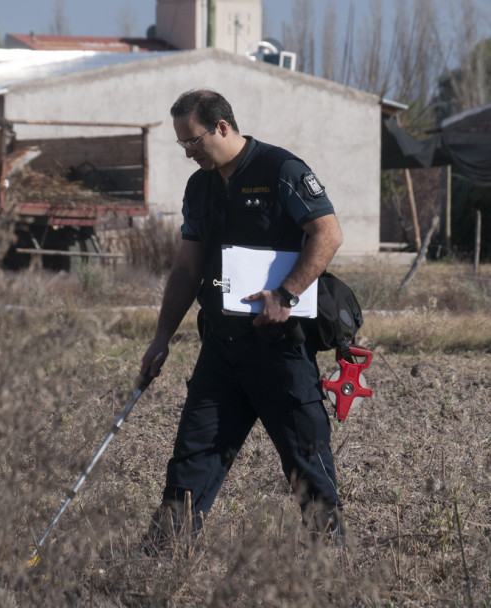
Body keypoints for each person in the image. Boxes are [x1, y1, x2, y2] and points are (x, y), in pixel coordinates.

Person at [140, 89, 345, 551]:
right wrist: (160, 338)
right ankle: (159, 564)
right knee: (191, 460)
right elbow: (187, 269)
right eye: (182, 145)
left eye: (192, 142)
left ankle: (332, 570)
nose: (188, 153)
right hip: (221, 351)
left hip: (280, 350)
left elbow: (328, 233)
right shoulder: (200, 187)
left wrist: (287, 293)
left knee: (307, 464)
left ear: (222, 127)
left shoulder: (281, 170)